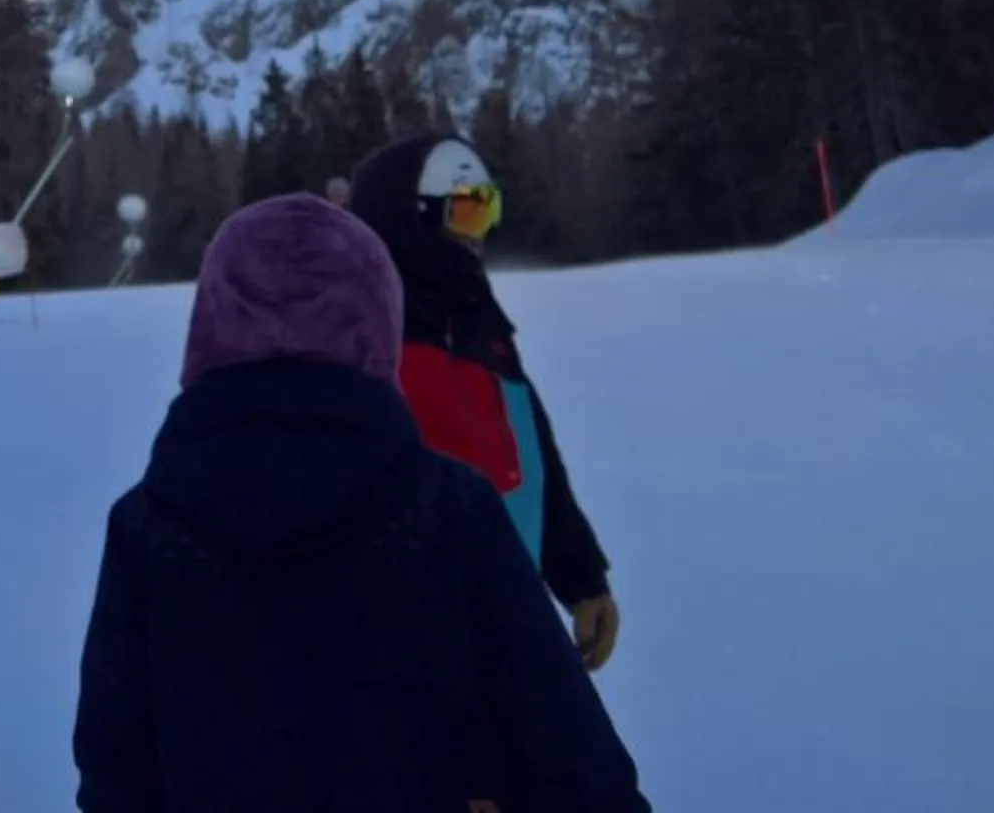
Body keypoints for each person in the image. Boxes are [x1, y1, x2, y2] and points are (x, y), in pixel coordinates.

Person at [74, 194, 647, 813]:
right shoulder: (451, 510)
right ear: (378, 322)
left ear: (211, 326)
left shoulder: (148, 526)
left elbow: (116, 774)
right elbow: (574, 759)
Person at [345, 133, 621, 673]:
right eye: (467, 214)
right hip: (406, 645)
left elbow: (533, 456)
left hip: (508, 614)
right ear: (411, 220)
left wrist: (580, 576)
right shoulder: (362, 336)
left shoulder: (480, 321)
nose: (480, 235)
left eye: (488, 210)